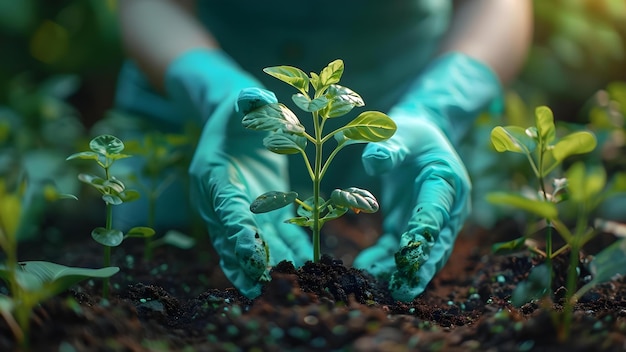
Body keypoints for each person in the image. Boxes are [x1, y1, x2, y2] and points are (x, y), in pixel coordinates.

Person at [113, 0, 533, 301]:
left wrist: (442, 105)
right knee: (140, 261)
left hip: (399, 111)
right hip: (194, 111)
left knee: (445, 247)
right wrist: (209, 86)